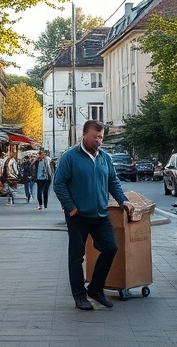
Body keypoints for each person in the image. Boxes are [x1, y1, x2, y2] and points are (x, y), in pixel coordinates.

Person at [53, 120, 133, 311]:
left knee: (110, 248)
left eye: (101, 137)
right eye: (95, 137)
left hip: (100, 214)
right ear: (84, 135)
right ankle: (80, 296)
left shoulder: (105, 157)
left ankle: (96, 289)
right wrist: (70, 207)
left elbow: (113, 181)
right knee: (76, 257)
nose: (99, 141)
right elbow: (59, 184)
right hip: (77, 216)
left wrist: (123, 200)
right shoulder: (70, 157)